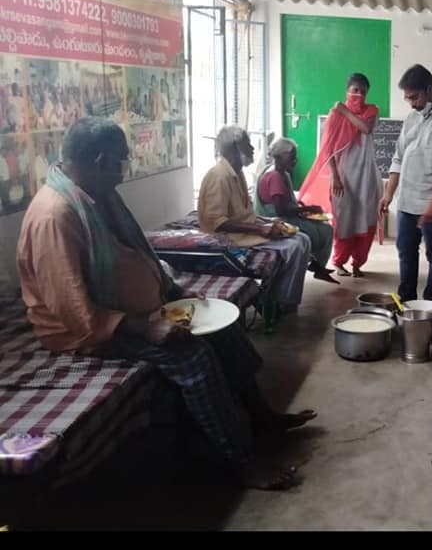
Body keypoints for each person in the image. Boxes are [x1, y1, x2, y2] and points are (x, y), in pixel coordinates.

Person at [16, 117, 318, 491]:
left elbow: (137, 254)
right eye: (120, 162)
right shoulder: (55, 216)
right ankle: (241, 460)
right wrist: (146, 327)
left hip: (133, 308)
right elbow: (74, 310)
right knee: (192, 356)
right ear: (98, 161)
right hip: (84, 330)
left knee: (226, 330)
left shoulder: (97, 194)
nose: (122, 172)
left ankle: (261, 419)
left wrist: (174, 292)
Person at [198, 126, 312, 314]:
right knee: (295, 246)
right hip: (231, 238)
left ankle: (283, 299)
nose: (252, 149)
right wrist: (260, 229)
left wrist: (265, 223)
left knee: (302, 238)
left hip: (246, 231)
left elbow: (244, 213)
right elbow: (217, 223)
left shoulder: (237, 173)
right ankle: (278, 302)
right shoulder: (218, 176)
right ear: (236, 148)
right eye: (247, 145)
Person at [379, 64, 432, 302]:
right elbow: (398, 157)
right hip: (408, 200)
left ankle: (430, 303)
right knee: (406, 252)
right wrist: (388, 194)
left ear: (429, 90)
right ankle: (406, 300)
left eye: (415, 97)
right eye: (408, 99)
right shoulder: (411, 118)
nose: (412, 103)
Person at [299, 73, 382, 278]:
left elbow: (365, 128)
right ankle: (339, 262)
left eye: (363, 91)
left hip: (367, 178)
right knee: (344, 219)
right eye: (355, 90)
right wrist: (335, 176)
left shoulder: (371, 111)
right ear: (347, 91)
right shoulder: (334, 117)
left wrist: (344, 110)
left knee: (365, 218)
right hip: (343, 178)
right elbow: (329, 150)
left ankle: (358, 263)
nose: (359, 95)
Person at [254, 137, 337, 283]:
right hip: (277, 221)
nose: (295, 160)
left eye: (295, 157)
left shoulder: (278, 172)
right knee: (322, 231)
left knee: (326, 229)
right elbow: (280, 210)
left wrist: (301, 208)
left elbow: (284, 203)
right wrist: (307, 209)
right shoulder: (275, 176)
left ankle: (317, 266)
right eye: (291, 157)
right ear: (279, 156)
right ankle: (314, 264)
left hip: (282, 217)